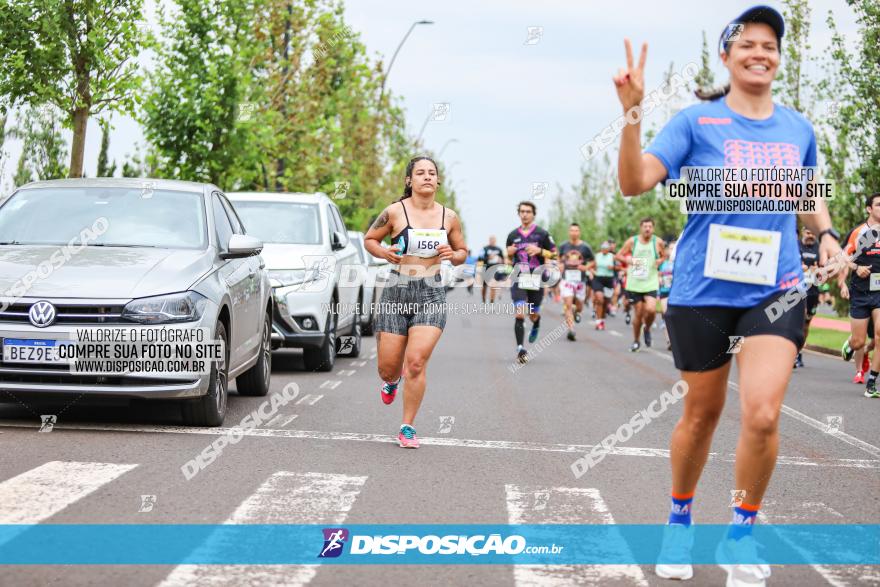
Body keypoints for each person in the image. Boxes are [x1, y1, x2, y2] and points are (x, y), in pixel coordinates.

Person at [613, 6, 842, 585]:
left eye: (769, 44)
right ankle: (680, 519)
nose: (759, 52)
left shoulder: (798, 128)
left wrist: (831, 238)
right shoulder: (696, 123)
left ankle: (741, 532)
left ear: (778, 57)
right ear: (727, 56)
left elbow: (807, 198)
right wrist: (633, 111)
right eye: (747, 45)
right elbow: (634, 182)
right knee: (702, 413)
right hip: (702, 290)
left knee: (762, 415)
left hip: (777, 288)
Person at [364, 156, 468, 448]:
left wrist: (452, 254)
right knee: (388, 367)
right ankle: (391, 381)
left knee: (417, 362)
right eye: (420, 173)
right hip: (397, 290)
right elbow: (370, 239)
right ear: (409, 180)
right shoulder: (394, 212)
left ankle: (407, 426)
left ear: (438, 180)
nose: (426, 177)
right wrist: (385, 253)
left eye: (432, 173)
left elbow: (462, 251)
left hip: (431, 292)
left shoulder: (449, 217)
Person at [838, 194, 880, 397]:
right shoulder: (859, 232)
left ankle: (871, 382)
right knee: (859, 343)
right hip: (861, 292)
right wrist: (857, 267)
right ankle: (851, 344)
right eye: (879, 205)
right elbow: (843, 257)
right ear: (869, 209)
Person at [506, 201, 557, 363]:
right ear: (519, 214)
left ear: (534, 214)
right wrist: (509, 253)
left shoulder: (542, 234)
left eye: (528, 211)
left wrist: (540, 251)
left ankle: (537, 322)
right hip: (519, 276)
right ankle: (520, 349)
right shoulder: (513, 235)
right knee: (520, 312)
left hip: (536, 277)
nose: (525, 214)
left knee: (532, 314)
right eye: (522, 211)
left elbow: (555, 255)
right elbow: (508, 255)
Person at [616, 218, 666, 352]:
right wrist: (628, 259)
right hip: (635, 283)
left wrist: (659, 261)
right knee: (638, 313)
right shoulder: (633, 241)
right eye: (645, 226)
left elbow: (664, 256)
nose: (647, 229)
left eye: (650, 226)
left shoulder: (658, 242)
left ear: (653, 229)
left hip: (650, 282)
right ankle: (636, 340)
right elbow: (618, 255)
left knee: (650, 310)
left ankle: (647, 329)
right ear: (641, 228)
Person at [558, 223, 595, 341]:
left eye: (576, 231)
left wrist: (586, 267)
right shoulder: (563, 246)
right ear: (569, 232)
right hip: (567, 279)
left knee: (579, 307)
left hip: (580, 280)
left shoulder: (585, 247)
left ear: (579, 232)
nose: (574, 233)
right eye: (572, 230)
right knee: (568, 304)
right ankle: (571, 329)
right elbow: (558, 258)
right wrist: (560, 265)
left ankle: (576, 313)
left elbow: (593, 261)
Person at [794, 227, 820, 368]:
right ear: (803, 232)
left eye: (813, 233)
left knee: (806, 323)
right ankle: (792, 354)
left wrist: (819, 270)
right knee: (798, 319)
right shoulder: (796, 245)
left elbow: (825, 268)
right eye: (808, 233)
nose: (811, 236)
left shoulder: (818, 248)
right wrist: (799, 268)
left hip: (813, 291)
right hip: (796, 289)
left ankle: (799, 352)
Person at [592, 241, 616, 331]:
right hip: (598, 279)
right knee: (600, 299)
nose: (604, 250)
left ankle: (602, 320)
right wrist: (592, 272)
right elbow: (591, 266)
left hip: (609, 280)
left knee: (606, 302)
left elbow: (620, 267)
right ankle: (598, 321)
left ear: (609, 249)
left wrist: (613, 267)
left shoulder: (613, 257)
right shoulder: (597, 256)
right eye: (603, 248)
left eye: (606, 248)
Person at [657, 239, 676, 350]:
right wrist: (659, 278)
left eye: (675, 248)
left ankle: (676, 338)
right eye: (671, 248)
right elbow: (656, 273)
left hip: (676, 292)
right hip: (664, 291)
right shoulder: (662, 263)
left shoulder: (680, 262)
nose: (673, 250)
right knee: (667, 315)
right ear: (667, 250)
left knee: (675, 317)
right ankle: (669, 341)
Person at [477, 236, 506, 303]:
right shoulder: (485, 249)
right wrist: (488, 258)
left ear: (495, 241)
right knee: (484, 287)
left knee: (493, 286)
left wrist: (501, 261)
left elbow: (503, 260)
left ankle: (491, 302)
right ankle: (483, 300)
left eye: (494, 240)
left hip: (495, 270)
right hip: (486, 269)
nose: (492, 241)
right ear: (489, 240)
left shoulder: (499, 249)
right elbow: (480, 259)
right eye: (491, 240)